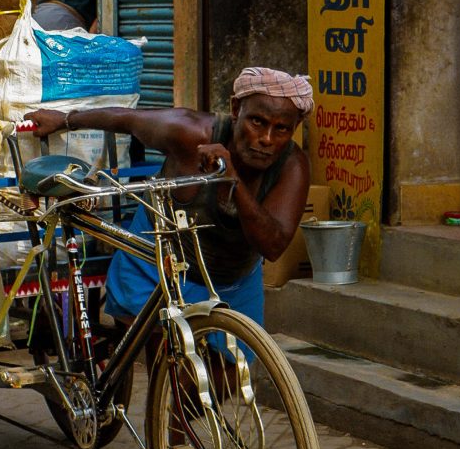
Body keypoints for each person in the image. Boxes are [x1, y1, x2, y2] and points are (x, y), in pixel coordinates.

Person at [25, 66, 314, 330]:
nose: (266, 138)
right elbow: (128, 119)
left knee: (231, 375)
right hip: (157, 261)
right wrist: (64, 120)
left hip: (230, 280)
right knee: (167, 362)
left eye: (282, 129)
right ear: (236, 109)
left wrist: (232, 178)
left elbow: (273, 246)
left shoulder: (292, 167)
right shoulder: (188, 133)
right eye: (257, 122)